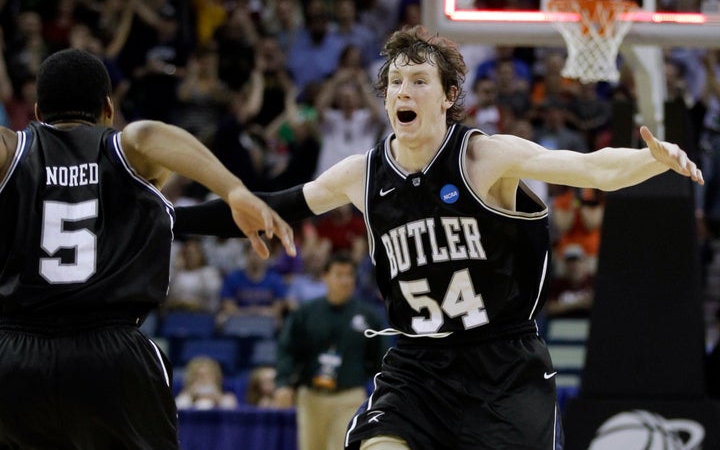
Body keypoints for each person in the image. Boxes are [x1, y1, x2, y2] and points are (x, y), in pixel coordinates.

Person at [173, 25, 703, 450]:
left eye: (419, 80)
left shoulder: (483, 157)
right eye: (396, 81)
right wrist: (173, 220)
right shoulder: (362, 173)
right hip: (418, 367)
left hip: (504, 364)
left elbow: (589, 168)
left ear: (449, 96)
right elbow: (272, 207)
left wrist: (648, 160)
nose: (404, 90)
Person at [0, 48, 295, 449]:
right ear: (108, 108)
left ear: (36, 111)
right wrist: (234, 189)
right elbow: (149, 135)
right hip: (111, 353)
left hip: (14, 356)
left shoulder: (11, 150)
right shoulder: (125, 150)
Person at [274, 251, 388, 450]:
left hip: (349, 396)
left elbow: (383, 358)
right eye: (339, 274)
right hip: (311, 395)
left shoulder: (370, 316)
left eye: (349, 275)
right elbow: (287, 349)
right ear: (325, 277)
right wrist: (284, 382)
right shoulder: (306, 312)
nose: (345, 281)